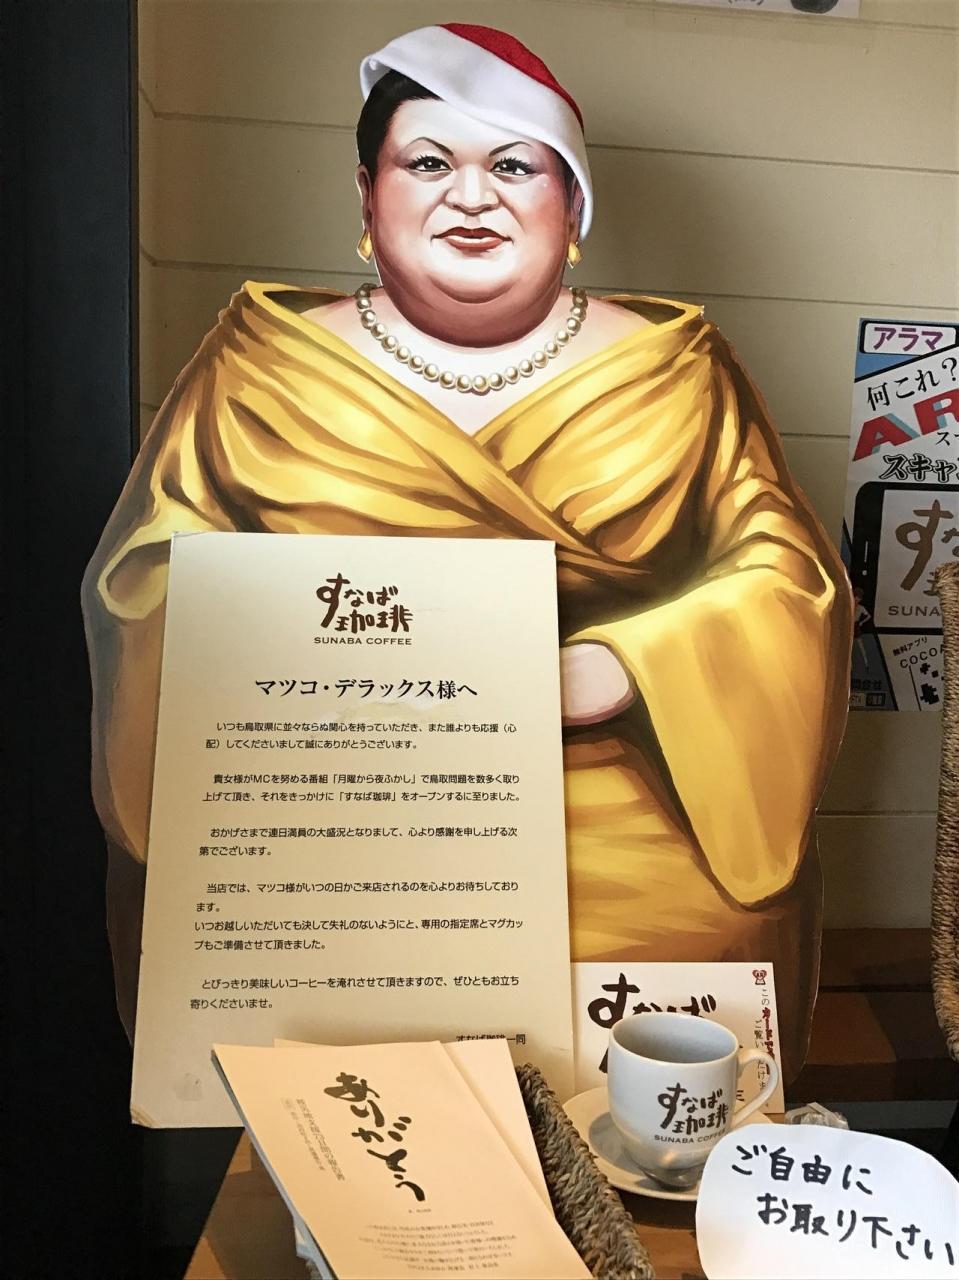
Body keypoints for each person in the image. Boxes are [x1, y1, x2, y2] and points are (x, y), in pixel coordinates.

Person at [82, 23, 853, 1076]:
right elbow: (148, 576)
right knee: (320, 1039)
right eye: (429, 163)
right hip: (330, 790)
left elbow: (786, 578)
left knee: (682, 968)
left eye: (515, 167)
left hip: (613, 789)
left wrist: (628, 664)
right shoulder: (258, 364)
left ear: (571, 206)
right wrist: (307, 676)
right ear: (368, 197)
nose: (472, 197)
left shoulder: (679, 369)